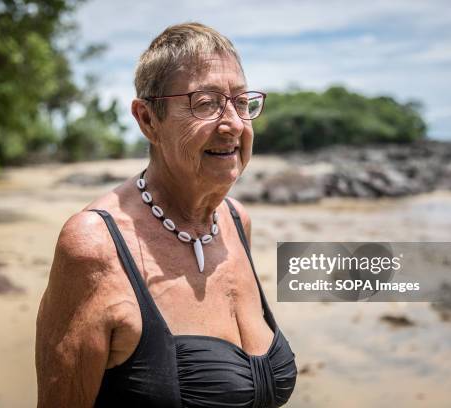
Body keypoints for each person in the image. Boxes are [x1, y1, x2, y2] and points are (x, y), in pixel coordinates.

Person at [35, 22, 297, 408]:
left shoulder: (236, 222)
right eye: (205, 103)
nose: (235, 125)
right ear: (147, 120)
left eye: (242, 103)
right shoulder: (94, 246)